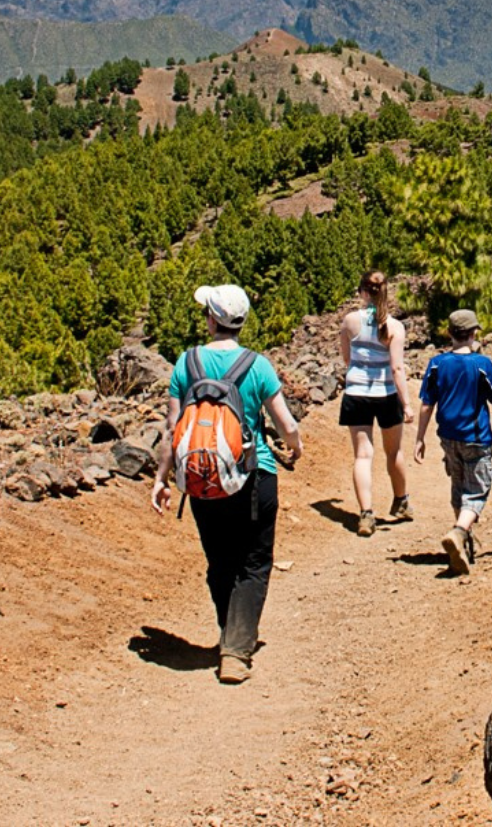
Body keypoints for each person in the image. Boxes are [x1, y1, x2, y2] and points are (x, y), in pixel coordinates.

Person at [150, 283, 303, 684]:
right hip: (255, 474)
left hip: (202, 479)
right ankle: (236, 649)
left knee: (220, 561)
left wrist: (162, 478)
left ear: (212, 319)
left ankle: (229, 634)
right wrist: (296, 447)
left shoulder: (187, 363)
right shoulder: (259, 365)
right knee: (253, 563)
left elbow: (172, 428)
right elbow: (286, 424)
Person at [414, 308, 492, 575]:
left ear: (449, 333)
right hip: (476, 438)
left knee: (458, 486)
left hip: (447, 436)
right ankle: (459, 532)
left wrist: (419, 438)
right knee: (477, 489)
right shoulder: (481, 364)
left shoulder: (436, 363)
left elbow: (426, 404)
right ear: (474, 332)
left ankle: (463, 545)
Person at [337, 270, 413, 536]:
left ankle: (366, 514)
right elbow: (397, 368)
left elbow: (347, 360)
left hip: (356, 392)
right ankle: (401, 500)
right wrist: (407, 404)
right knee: (394, 452)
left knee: (362, 455)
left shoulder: (349, 321)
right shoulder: (395, 327)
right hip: (387, 394)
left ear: (362, 292)